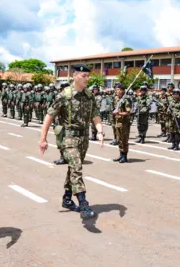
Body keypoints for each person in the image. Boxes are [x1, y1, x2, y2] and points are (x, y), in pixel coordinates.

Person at [39, 64, 104, 219]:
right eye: (83, 76)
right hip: (68, 137)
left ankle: (67, 199)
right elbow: (49, 116)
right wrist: (43, 139)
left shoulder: (89, 96)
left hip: (83, 138)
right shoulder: (64, 95)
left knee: (73, 169)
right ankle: (83, 203)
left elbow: (95, 116)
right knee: (76, 167)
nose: (87, 79)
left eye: (88, 76)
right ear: (74, 76)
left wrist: (100, 131)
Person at [113, 84, 132, 163]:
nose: (116, 91)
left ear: (122, 90)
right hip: (118, 122)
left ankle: (124, 156)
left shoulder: (126, 99)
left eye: (118, 89)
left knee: (124, 140)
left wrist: (118, 113)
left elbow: (128, 112)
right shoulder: (117, 98)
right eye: (116, 89)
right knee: (119, 139)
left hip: (124, 123)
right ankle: (121, 154)